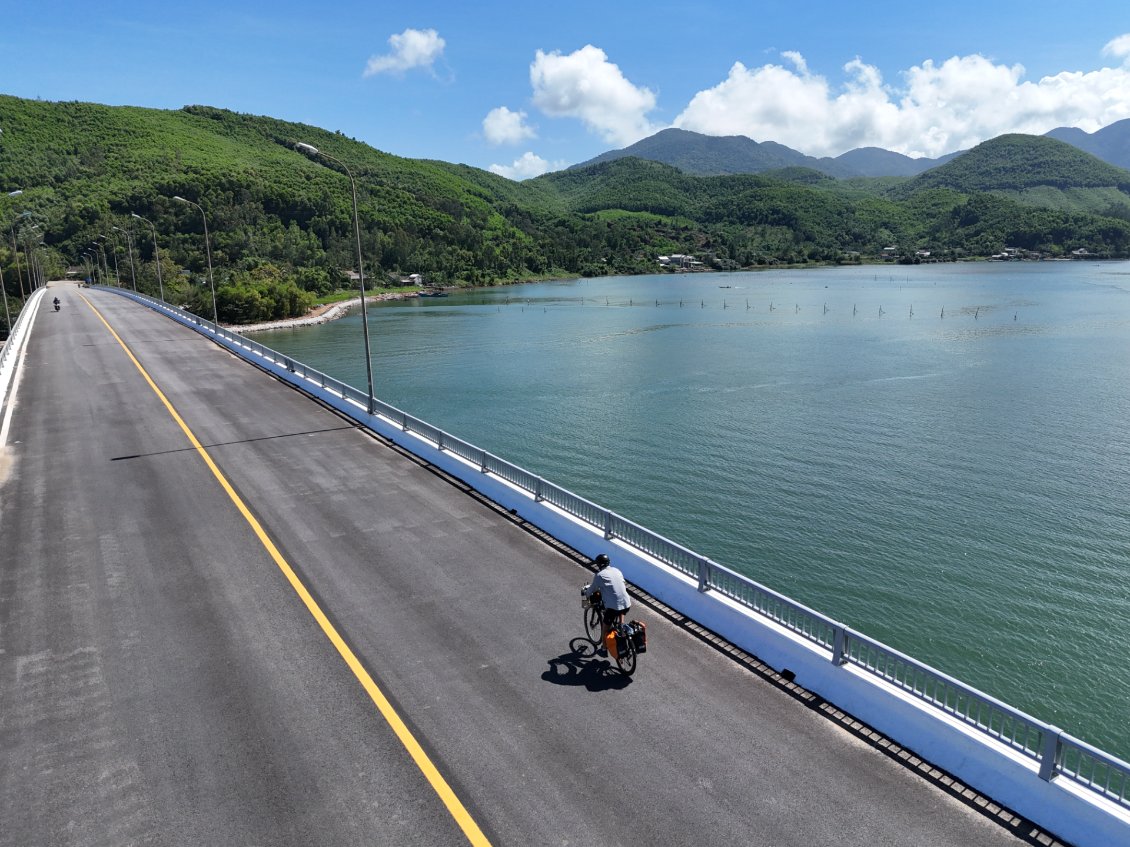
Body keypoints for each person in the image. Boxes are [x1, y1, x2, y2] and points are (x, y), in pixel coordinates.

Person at [582, 554, 631, 653]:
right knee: (620, 609)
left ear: (599, 565)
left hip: (613, 608)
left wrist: (585, 593)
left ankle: (604, 648)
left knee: (605, 628)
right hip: (627, 603)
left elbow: (592, 589)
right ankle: (621, 625)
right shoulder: (617, 570)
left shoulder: (599, 575)